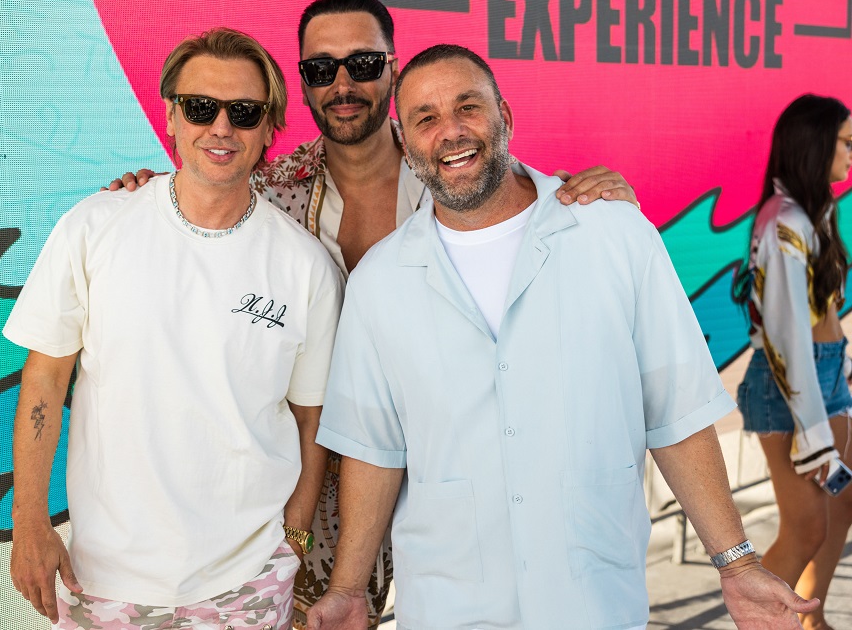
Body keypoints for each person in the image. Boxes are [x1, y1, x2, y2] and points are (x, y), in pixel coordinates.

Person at [108, 0, 638, 628]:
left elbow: (520, 193)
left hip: (449, 485)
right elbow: (194, 207)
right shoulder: (267, 195)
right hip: (307, 499)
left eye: (362, 64)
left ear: (393, 67)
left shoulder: (458, 173)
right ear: (302, 81)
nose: (342, 85)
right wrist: (146, 189)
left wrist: (589, 193)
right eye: (320, 69)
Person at [305, 44, 819, 629]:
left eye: (468, 107)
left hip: (593, 605)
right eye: (426, 118)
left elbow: (677, 411)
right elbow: (372, 450)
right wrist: (348, 588)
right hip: (449, 609)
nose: (450, 131)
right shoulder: (380, 280)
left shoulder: (614, 234)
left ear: (504, 116)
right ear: (406, 141)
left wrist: (737, 562)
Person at [3, 27, 342, 630]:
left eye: (244, 112)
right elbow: (46, 380)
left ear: (270, 126)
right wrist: (28, 522)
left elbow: (310, 419)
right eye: (200, 107)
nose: (221, 127)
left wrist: (292, 540)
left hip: (248, 585)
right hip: (104, 579)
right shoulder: (94, 226)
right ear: (171, 116)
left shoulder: (305, 265)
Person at [735, 94, 852, 630]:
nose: (851, 153)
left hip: (824, 375)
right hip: (789, 387)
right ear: (816, 145)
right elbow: (786, 341)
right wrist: (814, 434)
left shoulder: (813, 212)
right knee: (805, 528)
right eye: (845, 142)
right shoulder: (784, 222)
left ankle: (812, 620)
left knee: (840, 507)